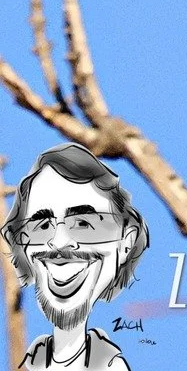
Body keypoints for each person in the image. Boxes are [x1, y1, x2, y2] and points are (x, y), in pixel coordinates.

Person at [1, 145, 148, 369]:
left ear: (126, 241)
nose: (59, 243)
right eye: (42, 225)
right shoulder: (35, 358)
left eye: (83, 224)